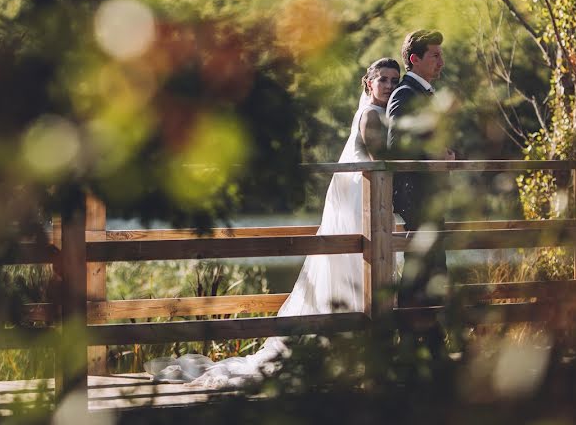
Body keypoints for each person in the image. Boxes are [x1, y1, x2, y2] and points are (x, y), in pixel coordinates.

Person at [145, 58, 402, 387]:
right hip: (358, 204)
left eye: (395, 80)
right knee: (354, 269)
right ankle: (354, 353)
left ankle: (354, 352)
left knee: (356, 273)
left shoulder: (380, 113)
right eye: (384, 79)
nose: (390, 86)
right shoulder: (370, 114)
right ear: (369, 83)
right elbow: (382, 156)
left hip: (365, 201)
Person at [386, 29, 454, 307]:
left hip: (430, 195)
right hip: (416, 196)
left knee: (432, 269)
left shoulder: (425, 94)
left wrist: (450, 154)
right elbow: (395, 145)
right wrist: (432, 156)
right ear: (414, 59)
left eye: (441, 55)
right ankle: (416, 338)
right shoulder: (405, 93)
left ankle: (428, 340)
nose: (441, 62)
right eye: (435, 56)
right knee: (423, 271)